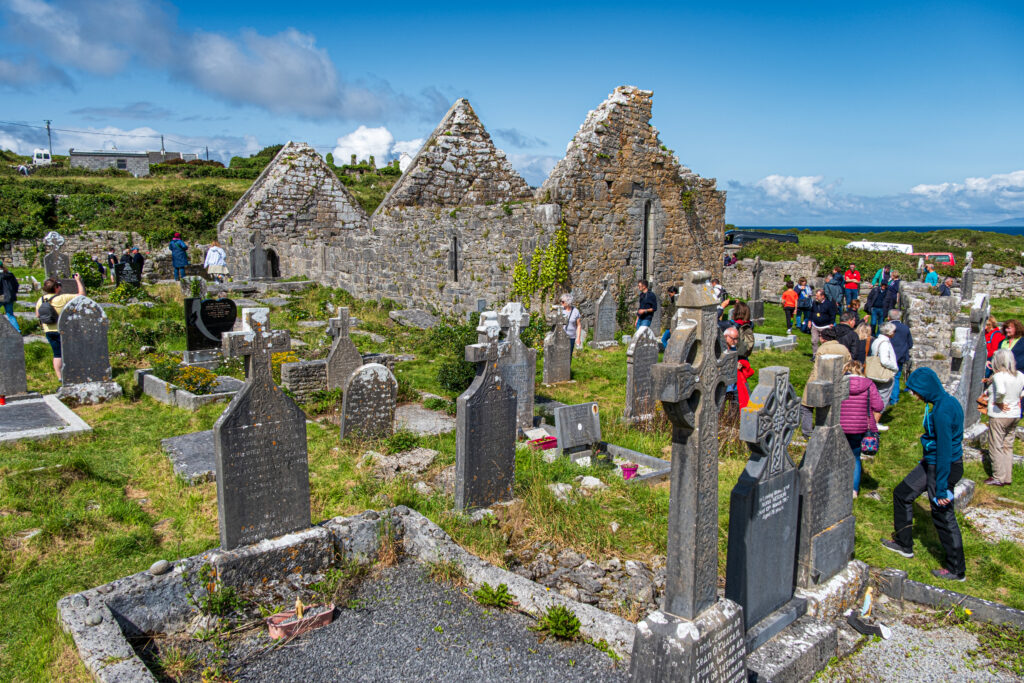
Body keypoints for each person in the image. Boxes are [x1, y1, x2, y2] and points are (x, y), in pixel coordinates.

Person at [882, 367, 966, 582]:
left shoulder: (942, 410)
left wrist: (942, 486)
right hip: (932, 462)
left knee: (942, 513)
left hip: (943, 467)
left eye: (916, 391)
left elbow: (946, 449)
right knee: (902, 493)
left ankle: (957, 569)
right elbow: (937, 442)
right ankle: (904, 544)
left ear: (926, 389)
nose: (914, 395)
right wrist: (926, 457)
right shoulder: (943, 402)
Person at [840, 360, 884, 497]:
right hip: (860, 427)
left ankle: (838, 486)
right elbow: (879, 406)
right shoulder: (869, 385)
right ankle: (853, 490)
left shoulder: (839, 384)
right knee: (855, 457)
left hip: (840, 425)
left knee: (838, 456)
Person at [800, 326, 851, 436]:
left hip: (820, 381)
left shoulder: (822, 349)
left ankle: (807, 431)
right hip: (837, 381)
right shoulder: (844, 348)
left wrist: (814, 385)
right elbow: (848, 364)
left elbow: (818, 368)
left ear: (823, 338)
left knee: (806, 406)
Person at [984, 348, 1024, 487]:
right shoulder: (1019, 375)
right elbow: (1022, 391)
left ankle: (998, 476)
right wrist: (1017, 398)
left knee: (996, 445)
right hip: (1014, 414)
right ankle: (1007, 476)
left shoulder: (999, 376)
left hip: (1000, 415)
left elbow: (1000, 391)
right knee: (1008, 445)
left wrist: (1000, 402)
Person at [35, 274, 85, 380]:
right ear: (56, 288)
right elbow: (82, 296)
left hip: (48, 330)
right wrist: (78, 280)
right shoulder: (62, 298)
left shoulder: (41, 300)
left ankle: (59, 377)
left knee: (57, 354)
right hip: (63, 330)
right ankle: (74, 373)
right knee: (70, 351)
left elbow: (38, 315)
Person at [869, 322, 900, 413]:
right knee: (883, 397)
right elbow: (885, 360)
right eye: (893, 331)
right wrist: (895, 368)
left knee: (875, 396)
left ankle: (871, 419)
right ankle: (876, 421)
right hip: (883, 373)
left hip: (875, 371)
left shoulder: (877, 340)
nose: (894, 333)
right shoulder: (884, 343)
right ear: (889, 332)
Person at [887, 309, 914, 407]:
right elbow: (910, 344)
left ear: (889, 317)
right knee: (896, 377)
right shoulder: (905, 328)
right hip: (900, 357)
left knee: (886, 377)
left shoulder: (887, 327)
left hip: (888, 356)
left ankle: (886, 398)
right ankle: (894, 399)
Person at [724, 327, 755, 409]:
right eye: (733, 339)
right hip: (723, 385)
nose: (735, 342)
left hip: (735, 385)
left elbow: (745, 361)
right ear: (725, 336)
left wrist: (741, 364)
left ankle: (733, 420)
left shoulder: (736, 348)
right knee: (720, 409)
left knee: (737, 408)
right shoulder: (719, 348)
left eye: (737, 339)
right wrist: (734, 365)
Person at [809, 288, 838, 355]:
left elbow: (833, 314)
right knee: (814, 341)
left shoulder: (829, 304)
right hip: (815, 325)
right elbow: (811, 312)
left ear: (823, 296)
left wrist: (831, 323)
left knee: (824, 342)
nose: (816, 297)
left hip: (825, 326)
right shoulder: (814, 303)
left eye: (818, 296)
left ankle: (824, 354)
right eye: (816, 296)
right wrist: (810, 321)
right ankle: (815, 355)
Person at [560, 293, 582, 368]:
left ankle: (567, 371)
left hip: (571, 337)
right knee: (560, 355)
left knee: (569, 355)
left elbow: (578, 325)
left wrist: (578, 338)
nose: (561, 303)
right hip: (561, 337)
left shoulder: (575, 311)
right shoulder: (560, 310)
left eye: (563, 301)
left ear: (568, 303)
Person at [1, 259, 20, 331]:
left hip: (1, 297)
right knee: (10, 315)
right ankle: (17, 331)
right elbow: (16, 285)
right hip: (10, 297)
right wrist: (13, 293)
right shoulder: (10, 274)